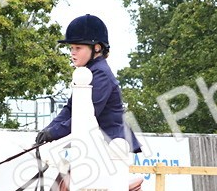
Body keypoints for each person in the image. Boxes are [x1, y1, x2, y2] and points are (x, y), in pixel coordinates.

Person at [35, 14, 142, 153]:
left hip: (115, 147)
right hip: (95, 145)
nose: (72, 53)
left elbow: (85, 117)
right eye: (71, 48)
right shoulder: (87, 73)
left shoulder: (101, 74)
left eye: (78, 48)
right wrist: (47, 131)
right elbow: (70, 109)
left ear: (96, 48)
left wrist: (53, 133)